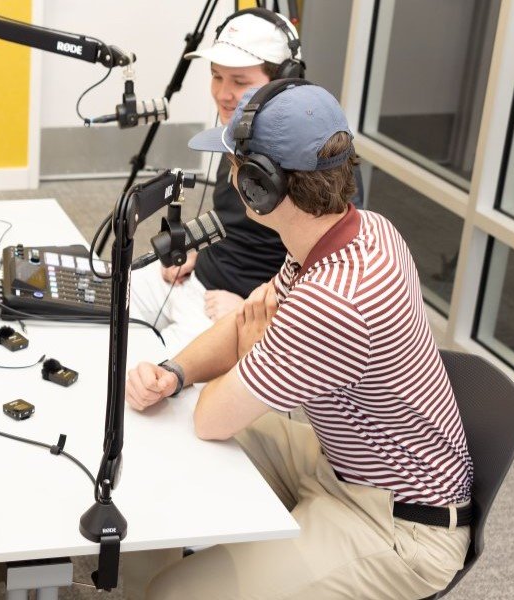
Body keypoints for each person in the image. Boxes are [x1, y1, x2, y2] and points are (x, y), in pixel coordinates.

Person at [120, 83, 473, 599]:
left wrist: (251, 354)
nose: (229, 176)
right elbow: (245, 323)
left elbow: (212, 417)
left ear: (260, 186)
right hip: (339, 460)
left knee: (171, 596)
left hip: (399, 527)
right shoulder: (352, 231)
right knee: (160, 439)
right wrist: (174, 372)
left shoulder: (335, 301)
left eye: (235, 165)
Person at [131, 8, 363, 342]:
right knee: (99, 310)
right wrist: (194, 254)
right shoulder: (237, 132)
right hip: (193, 277)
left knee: (147, 382)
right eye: (216, 76)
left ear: (284, 80)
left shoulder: (315, 155)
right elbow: (233, 221)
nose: (223, 94)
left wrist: (262, 311)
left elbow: (335, 273)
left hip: (236, 308)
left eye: (240, 82)